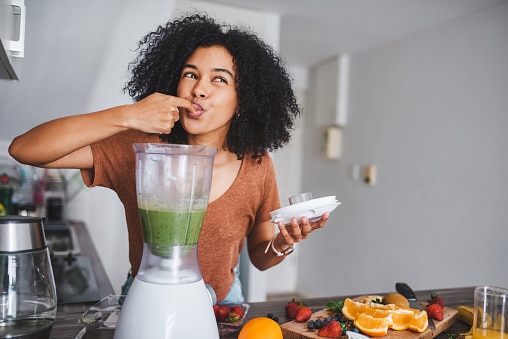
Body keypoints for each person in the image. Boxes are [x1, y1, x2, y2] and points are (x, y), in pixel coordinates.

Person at [9, 13, 329, 304]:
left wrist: (284, 243)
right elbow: (24, 149)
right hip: (146, 299)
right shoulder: (140, 147)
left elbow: (261, 259)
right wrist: (128, 115)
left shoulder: (257, 165)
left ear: (242, 100)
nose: (199, 89)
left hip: (223, 307)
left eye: (219, 79)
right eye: (190, 74)